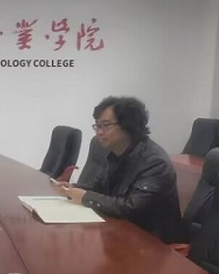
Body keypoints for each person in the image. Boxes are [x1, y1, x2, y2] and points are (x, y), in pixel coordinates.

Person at [53, 96, 182, 243]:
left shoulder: (155, 163)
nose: (99, 132)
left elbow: (132, 208)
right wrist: (73, 188)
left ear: (128, 126)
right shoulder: (116, 153)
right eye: (97, 126)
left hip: (152, 241)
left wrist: (85, 196)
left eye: (105, 126)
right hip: (122, 231)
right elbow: (99, 188)